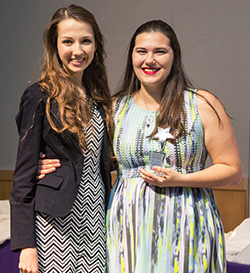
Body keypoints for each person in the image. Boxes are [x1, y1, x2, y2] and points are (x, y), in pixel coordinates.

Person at [38, 20, 242, 272]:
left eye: (160, 52)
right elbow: (88, 159)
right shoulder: (113, 108)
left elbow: (231, 171)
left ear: (174, 56)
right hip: (127, 227)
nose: (150, 60)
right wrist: (45, 164)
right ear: (132, 56)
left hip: (187, 224)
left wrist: (180, 179)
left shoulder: (201, 104)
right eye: (141, 51)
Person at [9, 4, 113, 273]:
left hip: (95, 220)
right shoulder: (39, 96)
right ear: (55, 45)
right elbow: (22, 179)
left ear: (96, 45)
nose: (77, 50)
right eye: (68, 41)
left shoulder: (98, 99)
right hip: (54, 226)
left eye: (85, 41)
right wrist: (26, 247)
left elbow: (97, 160)